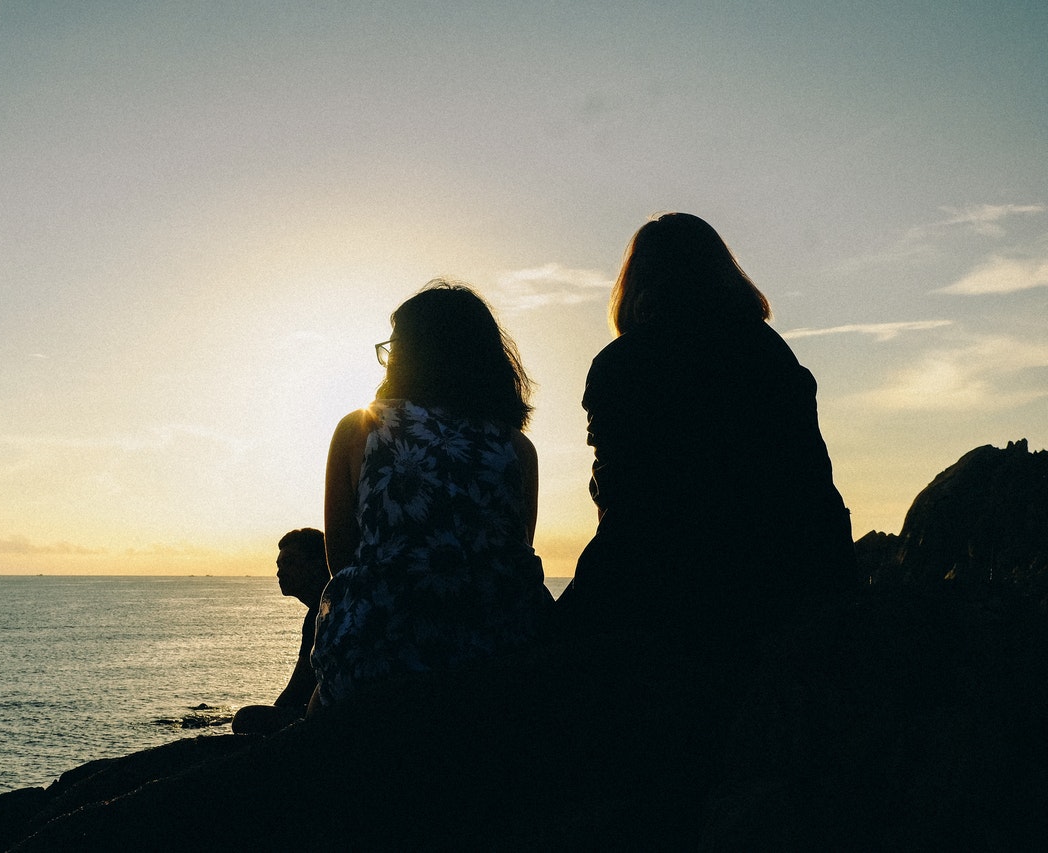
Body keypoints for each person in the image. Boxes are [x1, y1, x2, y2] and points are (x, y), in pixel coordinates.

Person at [559, 212, 857, 647]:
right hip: (789, 574)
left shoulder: (619, 364)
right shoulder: (771, 352)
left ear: (637, 281)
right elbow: (810, 476)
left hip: (663, 580)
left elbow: (619, 497)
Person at [310, 281, 552, 708]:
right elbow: (509, 556)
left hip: (380, 660)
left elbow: (343, 561)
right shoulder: (517, 449)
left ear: (407, 354)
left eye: (393, 347)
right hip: (500, 659)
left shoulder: (361, 429)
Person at [231, 528, 330, 734]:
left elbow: (297, 689)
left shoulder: (322, 611)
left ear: (316, 565)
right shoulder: (319, 608)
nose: (279, 572)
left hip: (331, 717)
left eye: (289, 563)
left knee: (245, 719)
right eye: (279, 565)